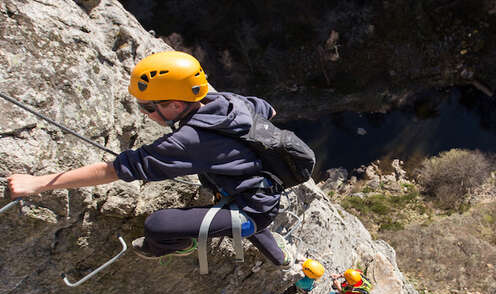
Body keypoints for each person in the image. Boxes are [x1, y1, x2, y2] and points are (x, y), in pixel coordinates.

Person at [7, 51, 292, 266]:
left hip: (250, 207)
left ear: (176, 105)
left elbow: (113, 171)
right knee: (253, 221)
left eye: (147, 107)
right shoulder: (228, 101)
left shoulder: (188, 141)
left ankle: (182, 243)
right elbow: (269, 111)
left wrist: (39, 184)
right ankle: (280, 259)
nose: (144, 112)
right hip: (259, 190)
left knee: (158, 227)